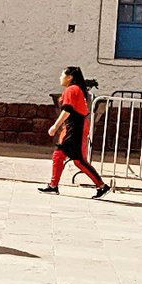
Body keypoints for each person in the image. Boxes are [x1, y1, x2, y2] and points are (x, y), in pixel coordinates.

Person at [40, 66, 110, 200]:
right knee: (69, 158)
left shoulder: (72, 89)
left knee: (73, 159)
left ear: (70, 77)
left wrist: (55, 126)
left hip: (75, 127)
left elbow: (67, 110)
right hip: (77, 126)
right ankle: (54, 185)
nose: (60, 77)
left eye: (62, 75)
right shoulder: (77, 89)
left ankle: (101, 185)